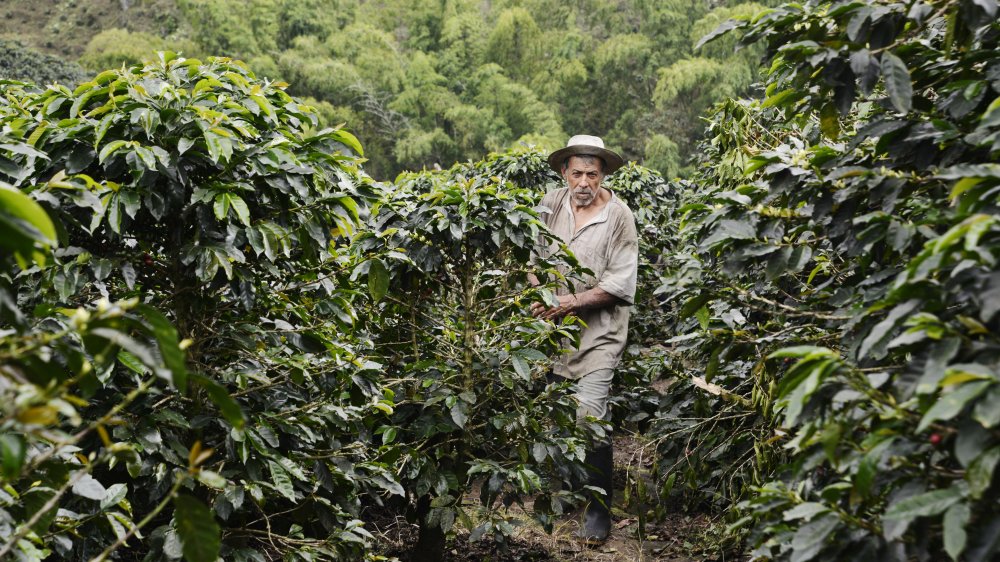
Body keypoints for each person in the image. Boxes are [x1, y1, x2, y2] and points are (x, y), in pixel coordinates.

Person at [530, 135, 639, 544]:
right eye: (576, 173)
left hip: (599, 336)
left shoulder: (619, 217)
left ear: (603, 175)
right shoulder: (551, 204)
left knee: (588, 416)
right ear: (564, 173)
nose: (583, 182)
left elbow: (618, 284)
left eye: (592, 174)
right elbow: (532, 258)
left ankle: (599, 508)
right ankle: (561, 493)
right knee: (555, 416)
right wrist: (541, 297)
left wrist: (567, 303)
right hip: (552, 335)